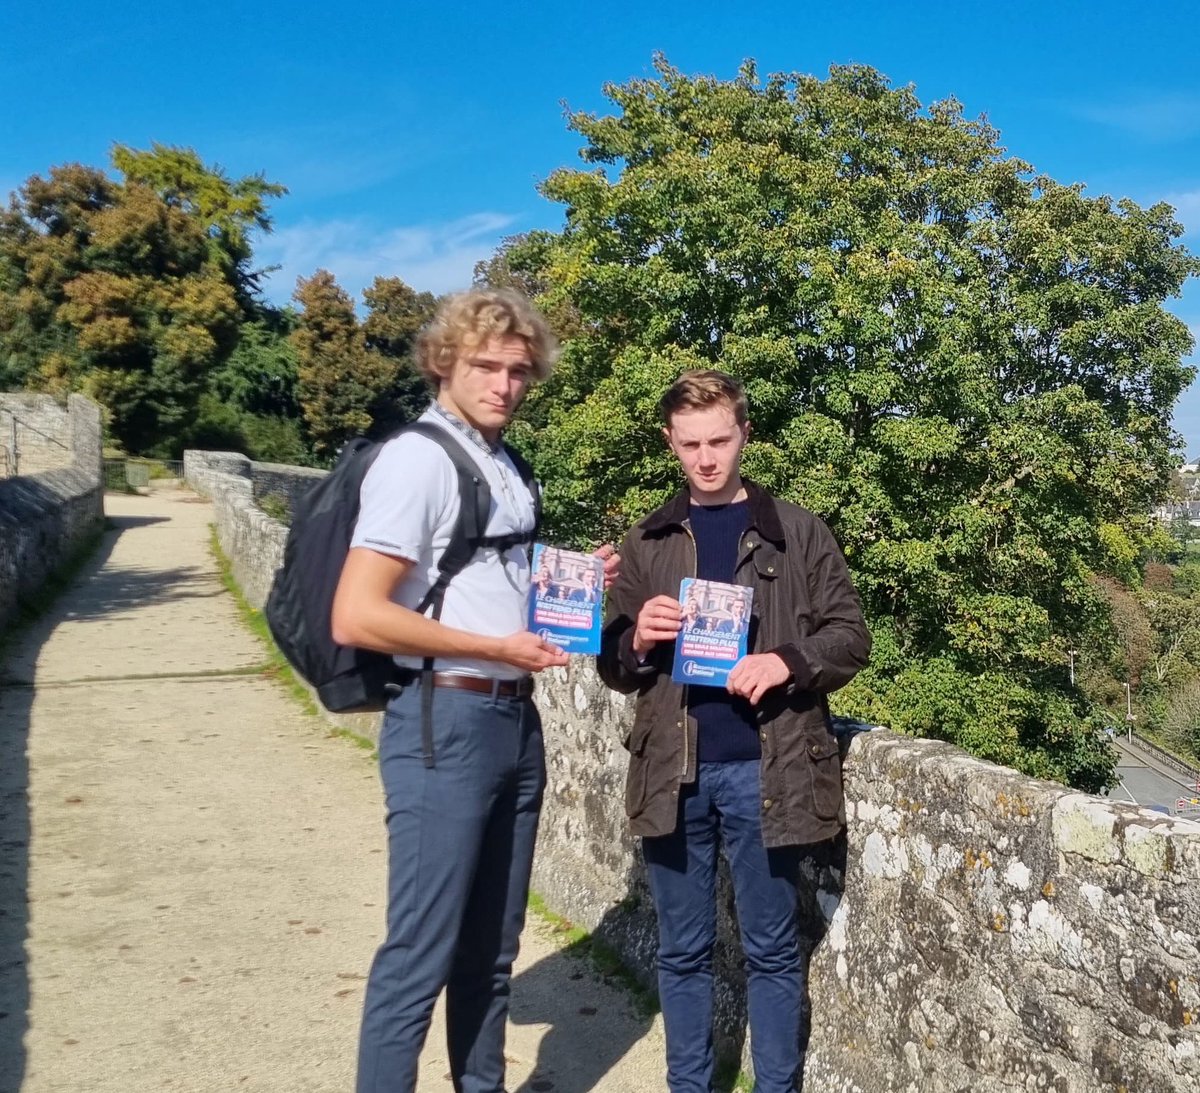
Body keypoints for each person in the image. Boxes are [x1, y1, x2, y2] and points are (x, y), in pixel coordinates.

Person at [332, 287, 615, 1093]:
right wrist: (494, 645)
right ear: (443, 362)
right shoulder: (419, 459)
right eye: (485, 365)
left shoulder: (503, 462)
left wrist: (571, 581)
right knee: (421, 950)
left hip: (511, 720)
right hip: (442, 717)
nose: (503, 383)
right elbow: (358, 613)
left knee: (492, 947)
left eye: (519, 369)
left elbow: (484, 576)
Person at [598, 369, 870, 1093]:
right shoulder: (649, 538)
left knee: (773, 952)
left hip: (768, 772)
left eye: (720, 439)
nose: (707, 457)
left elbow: (850, 638)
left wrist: (786, 660)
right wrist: (636, 640)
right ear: (671, 442)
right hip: (672, 776)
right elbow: (615, 666)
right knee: (682, 951)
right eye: (691, 444)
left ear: (744, 432)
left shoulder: (799, 531)